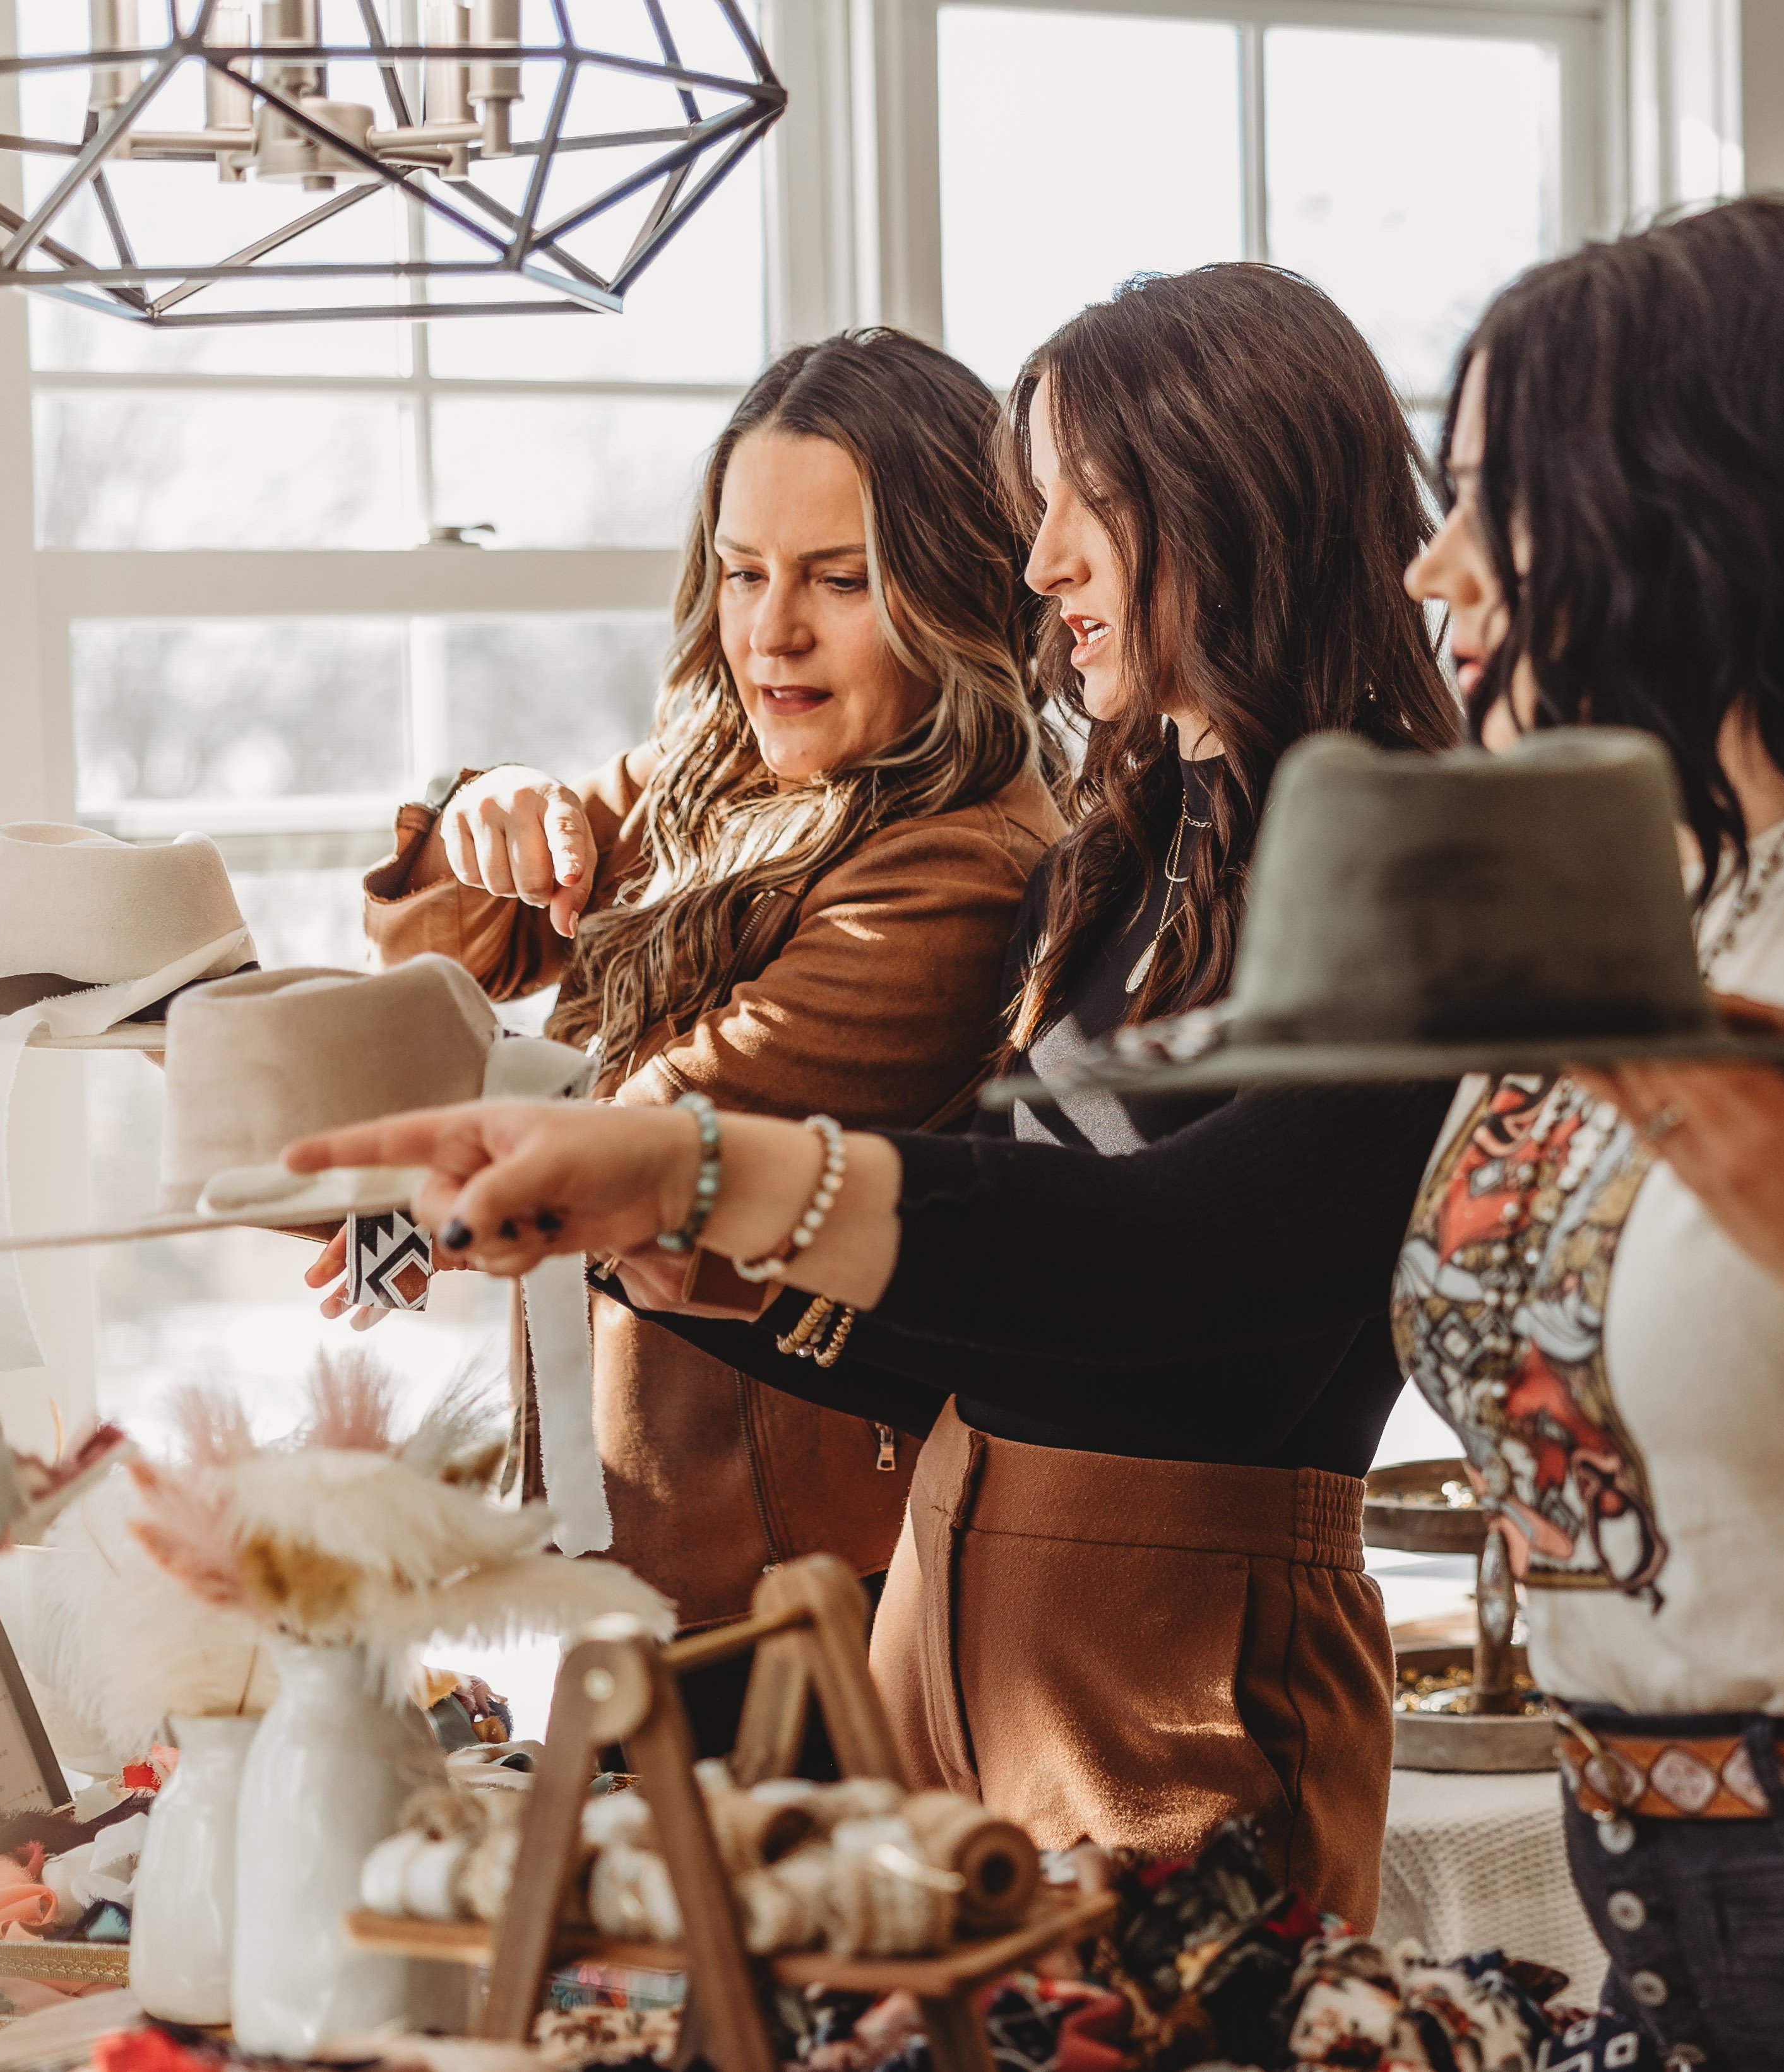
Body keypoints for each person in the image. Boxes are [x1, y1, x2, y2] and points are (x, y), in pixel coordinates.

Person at [288, 198, 1784, 2070]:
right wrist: (674, 1196)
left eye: (1496, 495)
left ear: (1693, 506)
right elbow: (1174, 1256)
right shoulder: (1614, 890)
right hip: (1673, 1910)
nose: (1436, 560)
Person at [608, 263, 1460, 1925]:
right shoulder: (1115, 854)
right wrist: (661, 1254)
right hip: (937, 1629)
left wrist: (710, 1178)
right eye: (1036, 503)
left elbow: (1175, 1272)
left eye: (1091, 502)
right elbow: (987, 1315)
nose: (1037, 558)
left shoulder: (1410, 863)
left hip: (1171, 1684)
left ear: (1239, 497)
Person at [341, 329, 1067, 1731]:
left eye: (840, 582)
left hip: (803, 1604)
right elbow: (431, 962)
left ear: (959, 591)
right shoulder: (717, 781)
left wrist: (419, 1176)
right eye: (743, 573)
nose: (770, 632)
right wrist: (482, 804)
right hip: (646, 1561)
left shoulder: (961, 866)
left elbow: (645, 1139)